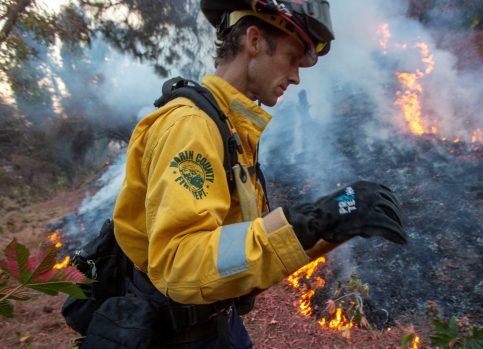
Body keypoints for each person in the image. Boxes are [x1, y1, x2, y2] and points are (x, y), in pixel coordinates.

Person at [112, 0, 407, 348]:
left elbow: (233, 248)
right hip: (177, 335)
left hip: (216, 321)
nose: (296, 77)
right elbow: (181, 262)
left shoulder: (228, 125)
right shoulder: (191, 127)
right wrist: (312, 222)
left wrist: (332, 225)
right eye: (291, 58)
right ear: (254, 41)